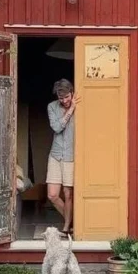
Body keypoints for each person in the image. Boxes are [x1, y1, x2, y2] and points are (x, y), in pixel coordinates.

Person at [46, 79, 79, 236]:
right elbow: (57, 127)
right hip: (56, 154)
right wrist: (71, 109)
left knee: (68, 193)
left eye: (67, 97)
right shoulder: (52, 107)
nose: (65, 101)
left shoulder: (81, 106)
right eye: (61, 98)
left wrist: (74, 107)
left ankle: (66, 228)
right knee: (52, 195)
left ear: (72, 92)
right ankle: (72, 221)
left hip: (71, 156)